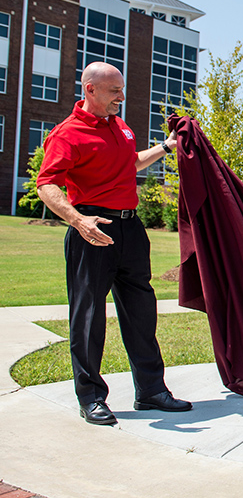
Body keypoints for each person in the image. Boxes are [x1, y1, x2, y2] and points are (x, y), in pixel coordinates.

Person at [37, 62, 191, 426]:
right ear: (90, 90)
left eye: (121, 90)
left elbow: (130, 164)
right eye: (113, 91)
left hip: (130, 229)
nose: (121, 97)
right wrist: (77, 220)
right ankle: (90, 396)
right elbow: (47, 183)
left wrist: (167, 147)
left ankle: (151, 391)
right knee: (88, 316)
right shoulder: (67, 134)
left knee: (141, 312)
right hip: (93, 228)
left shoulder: (121, 128)